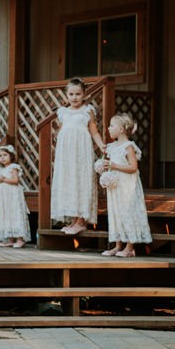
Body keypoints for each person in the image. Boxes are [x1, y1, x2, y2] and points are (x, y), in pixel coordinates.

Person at [50, 78, 106, 235]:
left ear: (84, 94)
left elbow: (94, 131)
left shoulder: (87, 111)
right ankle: (74, 219)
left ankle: (82, 221)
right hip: (67, 154)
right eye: (71, 94)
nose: (74, 97)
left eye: (78, 94)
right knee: (70, 182)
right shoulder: (63, 112)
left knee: (81, 181)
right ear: (66, 95)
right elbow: (61, 131)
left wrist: (101, 144)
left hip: (81, 152)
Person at [100, 113, 152, 257]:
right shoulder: (111, 147)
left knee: (127, 212)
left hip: (127, 185)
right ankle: (117, 245)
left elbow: (133, 167)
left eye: (112, 125)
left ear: (121, 129)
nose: (108, 128)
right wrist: (103, 167)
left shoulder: (128, 147)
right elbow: (110, 164)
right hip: (116, 186)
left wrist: (114, 165)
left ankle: (129, 247)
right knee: (116, 212)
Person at [0, 145, 31, 248]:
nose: (2, 157)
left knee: (15, 214)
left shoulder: (13, 167)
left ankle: (20, 239)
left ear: (11, 156)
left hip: (13, 196)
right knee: (7, 215)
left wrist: (3, 179)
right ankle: (10, 239)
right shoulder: (0, 169)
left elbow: (15, 181)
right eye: (0, 156)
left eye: (5, 155)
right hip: (4, 198)